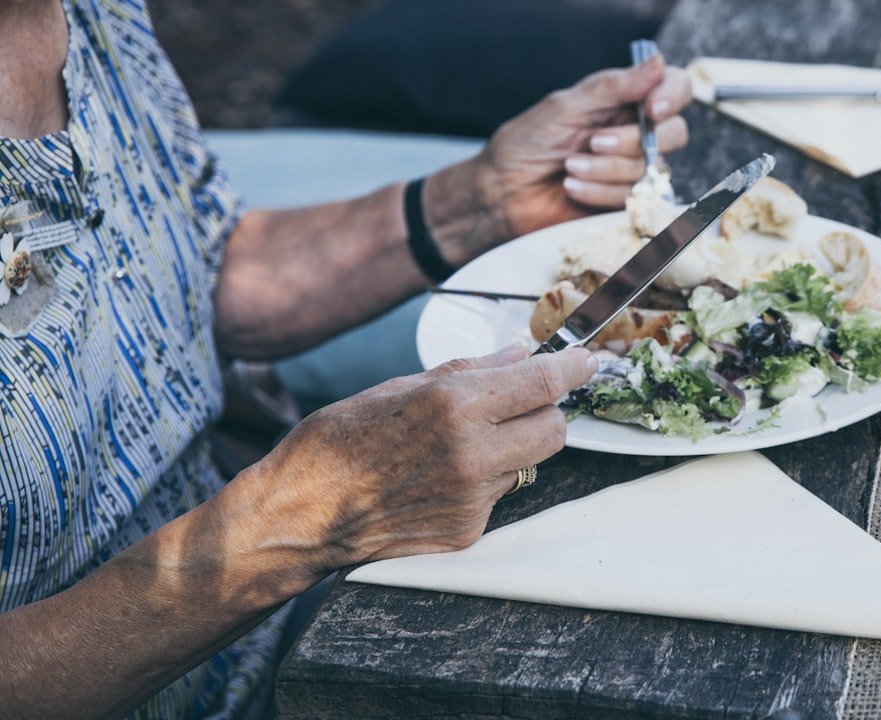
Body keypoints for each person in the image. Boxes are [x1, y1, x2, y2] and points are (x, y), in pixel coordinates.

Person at [0, 0, 692, 717]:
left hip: (279, 622)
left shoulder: (94, 12)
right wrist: (296, 522)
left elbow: (191, 274)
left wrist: (482, 200)